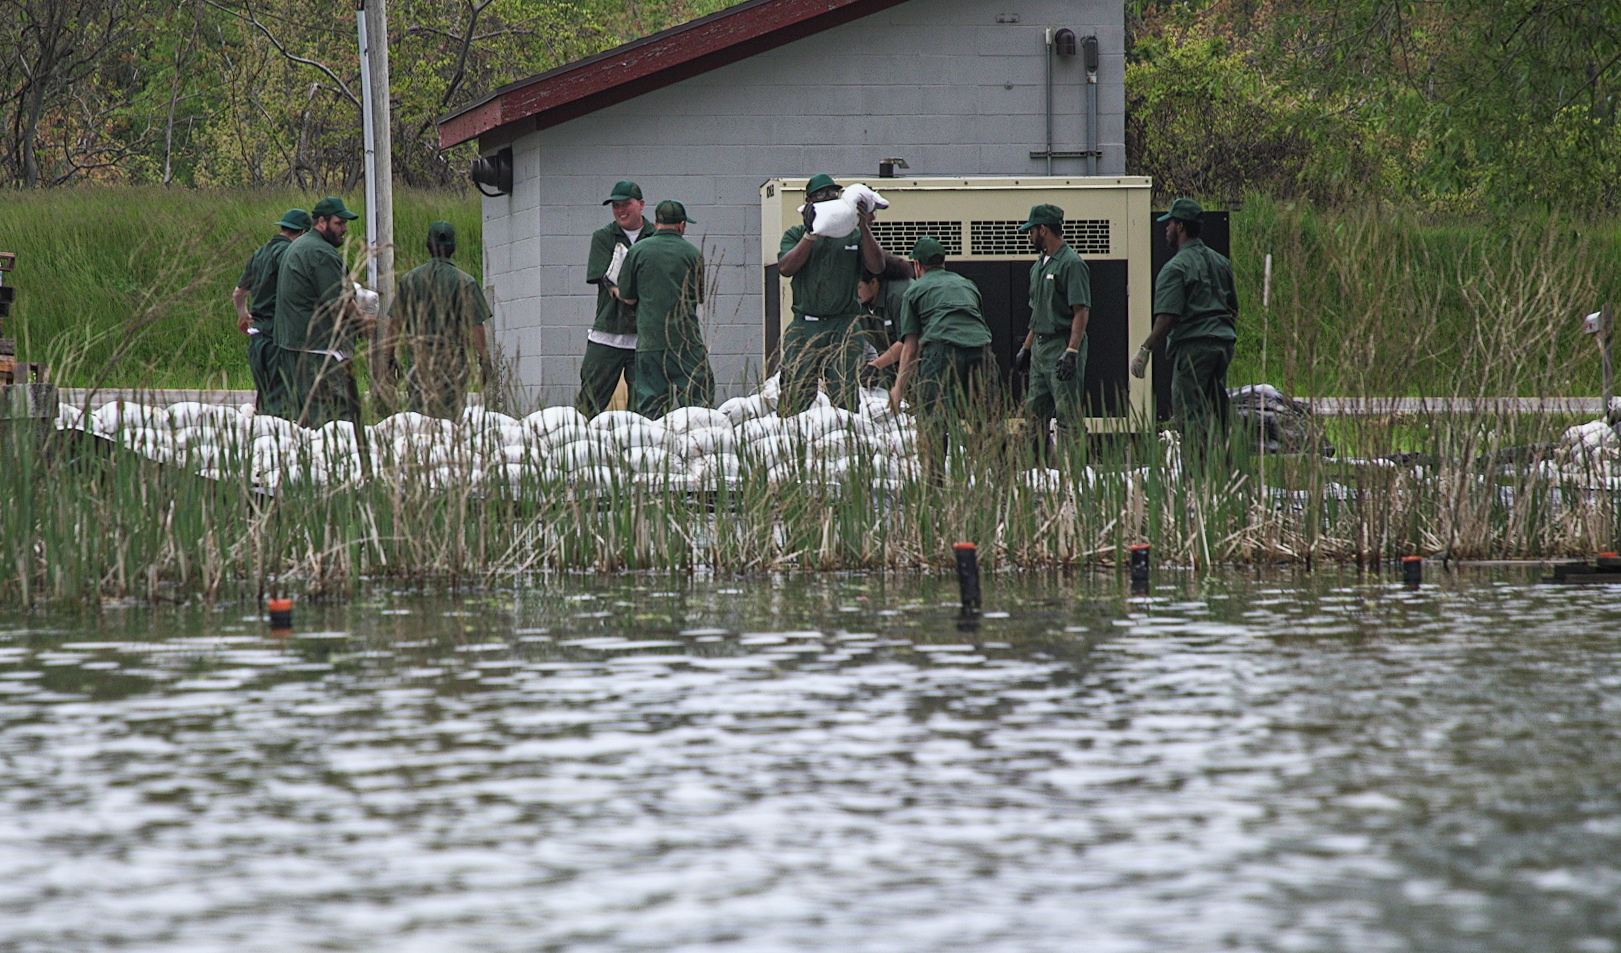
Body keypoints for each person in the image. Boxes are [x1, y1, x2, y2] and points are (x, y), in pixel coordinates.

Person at [1130, 197, 1239, 456]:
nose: (1165, 229)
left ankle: (1196, 478)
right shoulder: (1220, 262)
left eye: (1168, 224)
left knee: (1190, 416)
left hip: (1193, 347)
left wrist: (1145, 350)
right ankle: (1226, 473)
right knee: (1217, 410)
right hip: (1223, 344)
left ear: (1179, 226)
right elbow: (1233, 309)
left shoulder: (1175, 268)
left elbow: (1168, 317)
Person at [776, 173, 884, 414]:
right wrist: (810, 233)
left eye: (832, 194)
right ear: (809, 200)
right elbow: (786, 268)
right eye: (821, 195)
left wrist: (863, 225)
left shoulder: (852, 234)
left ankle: (846, 440)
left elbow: (877, 266)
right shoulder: (795, 234)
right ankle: (793, 443)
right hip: (806, 324)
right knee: (796, 391)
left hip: (843, 324)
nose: (828, 199)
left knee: (844, 390)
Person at [889, 237, 995, 479]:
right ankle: (993, 480)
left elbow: (911, 346)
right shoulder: (967, 284)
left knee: (934, 422)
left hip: (942, 353)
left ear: (917, 265)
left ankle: (934, 484)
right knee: (986, 420)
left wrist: (899, 389)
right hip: (981, 350)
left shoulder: (915, 289)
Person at [273, 196, 371, 428]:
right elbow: (340, 301)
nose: (345, 229)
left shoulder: (299, 245)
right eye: (339, 223)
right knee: (335, 420)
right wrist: (364, 322)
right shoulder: (321, 253)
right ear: (321, 222)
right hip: (319, 351)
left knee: (307, 420)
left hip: (294, 346)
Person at [383, 221, 494, 420]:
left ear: (428, 246)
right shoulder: (466, 282)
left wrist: (389, 358)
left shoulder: (409, 280)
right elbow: (477, 327)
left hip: (419, 362)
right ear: (454, 248)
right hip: (453, 366)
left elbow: (394, 323)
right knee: (449, 425)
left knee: (421, 423)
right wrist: (484, 360)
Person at [615, 200, 713, 419]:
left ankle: (654, 451)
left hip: (651, 340)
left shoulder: (638, 251)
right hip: (686, 341)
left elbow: (629, 298)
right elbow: (698, 296)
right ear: (681, 225)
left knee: (651, 409)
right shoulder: (693, 253)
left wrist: (616, 291)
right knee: (698, 409)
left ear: (657, 223)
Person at [1015, 203, 1091, 465]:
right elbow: (1037, 313)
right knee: (1034, 414)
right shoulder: (1038, 267)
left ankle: (1077, 475)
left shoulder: (1072, 263)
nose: (1030, 236)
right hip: (1040, 346)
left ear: (1043, 229)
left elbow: (1081, 310)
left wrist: (1072, 351)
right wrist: (1026, 347)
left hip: (1061, 344)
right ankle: (1037, 473)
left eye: (1032, 230)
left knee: (1068, 414)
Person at [577, 180, 657, 417]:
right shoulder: (603, 237)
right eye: (616, 206)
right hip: (608, 330)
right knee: (590, 400)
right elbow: (606, 278)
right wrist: (627, 293)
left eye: (626, 205)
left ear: (641, 205)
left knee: (644, 406)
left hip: (644, 335)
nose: (621, 211)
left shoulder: (654, 237)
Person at [233, 208, 310, 415]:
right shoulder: (289, 254)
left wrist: (244, 315)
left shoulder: (260, 253)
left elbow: (238, 293)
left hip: (258, 340)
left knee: (266, 399)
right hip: (280, 339)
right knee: (282, 407)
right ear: (303, 233)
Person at [858, 254, 913, 390]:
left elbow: (908, 342)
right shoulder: (861, 302)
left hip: (917, 360)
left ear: (874, 282)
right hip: (890, 365)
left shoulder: (900, 295)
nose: (854, 292)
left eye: (858, 287)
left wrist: (875, 365)